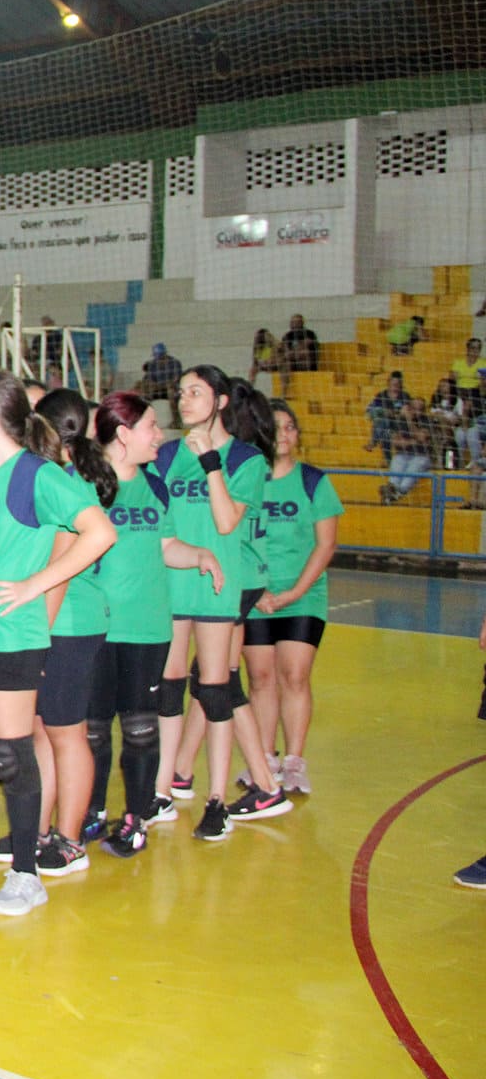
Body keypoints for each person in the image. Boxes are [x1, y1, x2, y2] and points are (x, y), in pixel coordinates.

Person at [0, 368, 115, 919]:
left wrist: (33, 585)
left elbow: (99, 533)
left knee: (10, 752)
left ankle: (26, 873)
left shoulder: (37, 476)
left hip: (13, 633)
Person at [86, 392, 224, 858]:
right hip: (96, 628)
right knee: (94, 730)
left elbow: (165, 547)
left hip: (147, 629)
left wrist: (200, 554)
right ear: (123, 434)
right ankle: (90, 813)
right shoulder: (86, 486)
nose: (159, 435)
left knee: (141, 729)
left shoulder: (155, 486)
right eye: (150, 426)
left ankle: (135, 819)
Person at [157, 366, 290, 839]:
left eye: (196, 392)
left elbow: (227, 521)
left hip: (218, 587)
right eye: (180, 393)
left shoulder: (246, 460)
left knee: (216, 689)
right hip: (173, 585)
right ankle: (165, 788)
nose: (184, 400)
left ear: (220, 401)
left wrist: (212, 462)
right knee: (169, 686)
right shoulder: (168, 454)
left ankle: (217, 800)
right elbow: (158, 521)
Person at [244, 400, 341, 796]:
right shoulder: (248, 480)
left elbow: (326, 544)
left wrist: (293, 593)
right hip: (255, 595)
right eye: (276, 427)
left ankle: (294, 762)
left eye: (290, 428)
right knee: (260, 677)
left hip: (302, 596)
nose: (284, 434)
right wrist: (259, 590)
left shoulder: (314, 481)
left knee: (294, 676)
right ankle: (263, 759)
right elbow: (238, 535)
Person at [383, 396, 435, 503]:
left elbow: (422, 437)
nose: (417, 412)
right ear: (409, 408)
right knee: (397, 461)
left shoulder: (427, 420)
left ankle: (395, 494)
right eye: (414, 408)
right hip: (403, 454)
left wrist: (410, 421)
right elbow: (396, 442)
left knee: (411, 473)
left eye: (420, 409)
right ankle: (392, 490)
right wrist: (415, 441)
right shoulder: (401, 420)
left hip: (422, 456)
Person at [365, 371, 410, 456]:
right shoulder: (381, 395)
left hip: (398, 427)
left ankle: (373, 442)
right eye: (393, 384)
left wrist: (392, 414)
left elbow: (406, 414)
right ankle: (388, 460)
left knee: (383, 424)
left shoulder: (405, 396)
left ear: (401, 385)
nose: (395, 387)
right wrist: (384, 412)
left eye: (397, 384)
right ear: (388, 383)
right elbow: (370, 411)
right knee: (383, 422)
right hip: (386, 429)